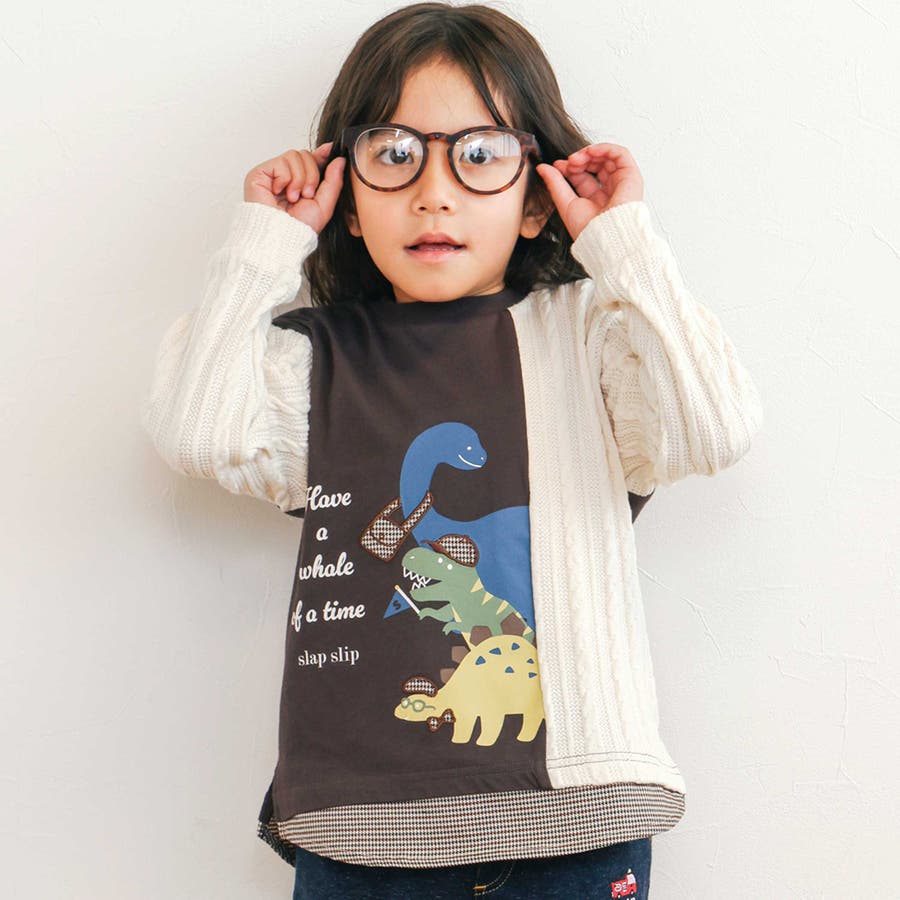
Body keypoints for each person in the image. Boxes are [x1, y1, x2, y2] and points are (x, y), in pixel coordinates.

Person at [141, 2, 764, 897]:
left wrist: (622, 242)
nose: (434, 191)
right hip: (359, 827)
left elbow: (712, 427)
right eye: (394, 154)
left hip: (575, 815)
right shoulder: (318, 360)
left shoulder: (589, 335)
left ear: (536, 199)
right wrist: (266, 241)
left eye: (481, 155)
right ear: (350, 201)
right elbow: (197, 432)